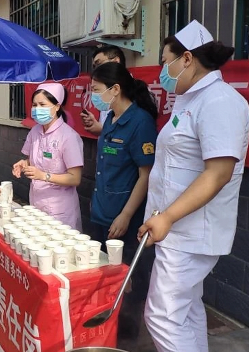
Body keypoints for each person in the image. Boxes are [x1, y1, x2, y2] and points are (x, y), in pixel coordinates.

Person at [138, 20, 249, 352]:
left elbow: (218, 174)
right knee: (185, 311)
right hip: (177, 230)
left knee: (162, 316)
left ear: (186, 58)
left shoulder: (220, 102)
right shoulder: (189, 99)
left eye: (166, 61)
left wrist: (168, 217)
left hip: (191, 232)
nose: (163, 71)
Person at [88, 62, 158, 338]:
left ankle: (126, 336)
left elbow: (146, 175)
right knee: (104, 274)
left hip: (124, 218)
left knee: (128, 279)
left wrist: (126, 215)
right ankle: (105, 330)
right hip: (102, 211)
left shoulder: (140, 122)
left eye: (96, 90)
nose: (93, 95)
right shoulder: (110, 119)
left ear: (115, 89)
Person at [12, 83, 84, 229]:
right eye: (34, 105)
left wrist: (43, 176)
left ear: (57, 107)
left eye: (42, 104)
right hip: (37, 203)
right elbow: (32, 160)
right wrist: (24, 164)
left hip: (60, 210)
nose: (37, 109)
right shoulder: (35, 131)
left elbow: (75, 178)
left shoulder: (68, 137)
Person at [81, 45, 127, 136]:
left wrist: (103, 130)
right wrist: (96, 125)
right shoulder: (107, 97)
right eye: (94, 66)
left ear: (116, 61)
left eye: (99, 64)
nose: (96, 70)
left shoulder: (136, 92)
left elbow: (130, 133)